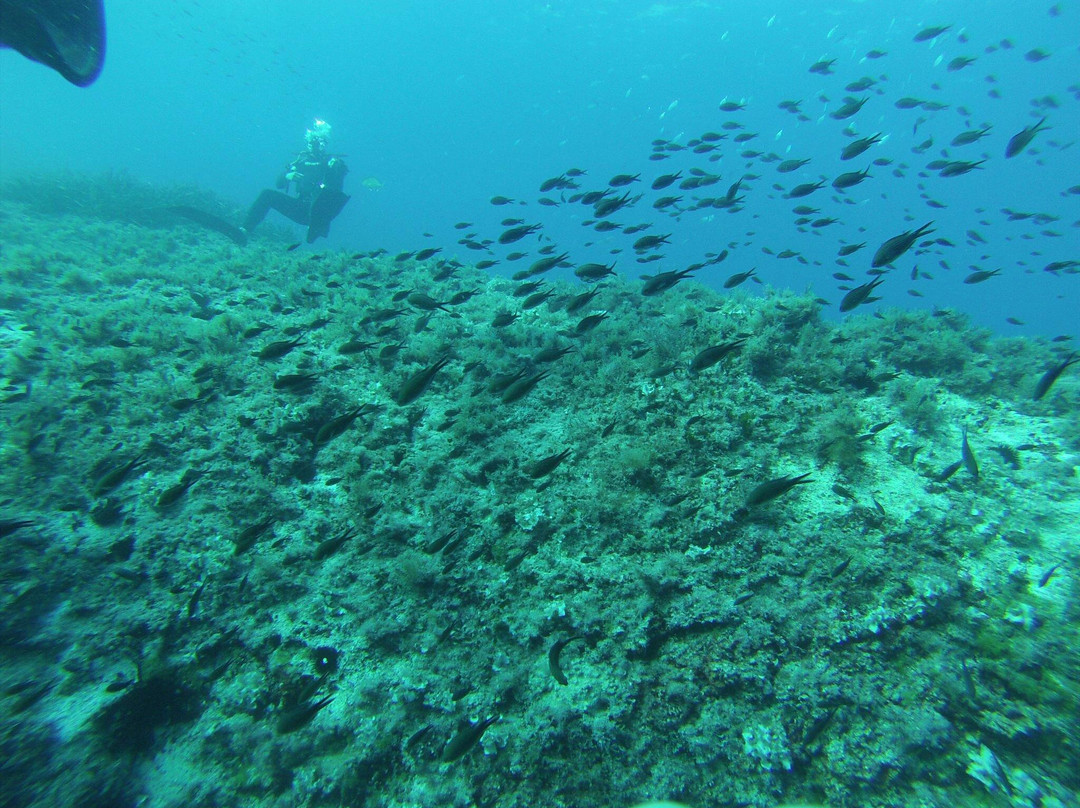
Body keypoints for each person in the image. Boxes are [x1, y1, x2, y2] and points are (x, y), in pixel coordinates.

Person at [242, 119, 350, 243]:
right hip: (301, 209)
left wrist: (336, 167)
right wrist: (288, 176)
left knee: (322, 198)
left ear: (324, 145)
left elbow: (339, 182)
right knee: (267, 195)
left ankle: (316, 229)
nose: (315, 147)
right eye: (311, 143)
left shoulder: (331, 163)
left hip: (321, 213)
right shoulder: (300, 163)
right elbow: (279, 184)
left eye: (319, 144)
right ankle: (245, 230)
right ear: (308, 144)